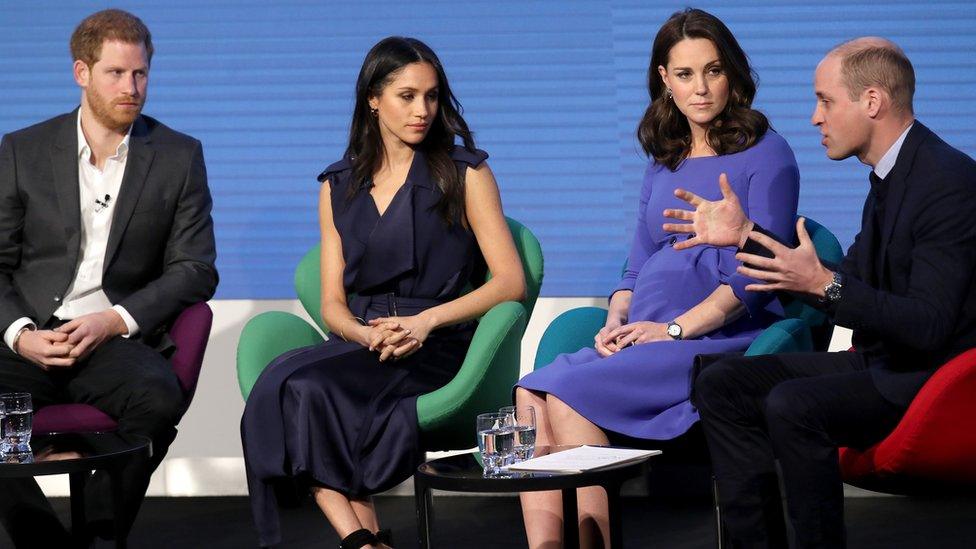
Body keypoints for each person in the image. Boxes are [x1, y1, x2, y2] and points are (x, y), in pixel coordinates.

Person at [664, 37, 976, 547]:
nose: (815, 117)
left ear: (871, 102)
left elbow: (930, 323)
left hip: (929, 377)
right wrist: (747, 238)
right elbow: (847, 280)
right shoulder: (891, 175)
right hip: (884, 363)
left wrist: (826, 286)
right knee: (722, 383)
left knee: (793, 403)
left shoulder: (947, 181)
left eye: (825, 101)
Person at [514, 8, 799, 548]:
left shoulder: (769, 153)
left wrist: (673, 331)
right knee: (530, 392)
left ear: (733, 74)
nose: (701, 88)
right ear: (665, 80)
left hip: (716, 338)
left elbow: (758, 271)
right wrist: (617, 317)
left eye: (713, 71)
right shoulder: (662, 161)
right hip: (648, 332)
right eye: (686, 75)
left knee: (570, 393)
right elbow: (638, 263)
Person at [240, 36, 525, 549]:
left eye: (432, 96)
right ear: (373, 98)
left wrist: (424, 323)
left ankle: (359, 542)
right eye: (407, 96)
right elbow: (331, 303)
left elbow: (509, 280)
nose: (423, 110)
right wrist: (365, 334)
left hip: (436, 342)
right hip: (362, 338)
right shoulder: (336, 185)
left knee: (309, 390)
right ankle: (364, 541)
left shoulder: (466, 173)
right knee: (280, 382)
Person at [0, 8, 218, 547]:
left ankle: (96, 533)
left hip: (111, 338)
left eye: (141, 74)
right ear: (82, 72)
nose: (132, 87)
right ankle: (42, 539)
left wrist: (112, 321)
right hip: (30, 334)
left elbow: (196, 269)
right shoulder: (21, 151)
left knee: (159, 398)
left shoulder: (178, 155)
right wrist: (21, 334)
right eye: (116, 74)